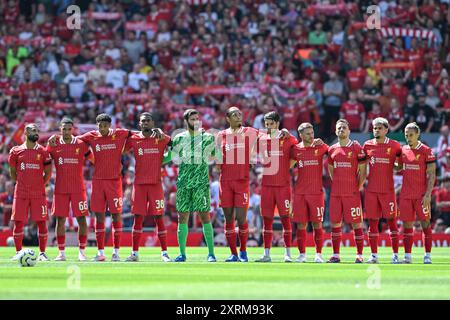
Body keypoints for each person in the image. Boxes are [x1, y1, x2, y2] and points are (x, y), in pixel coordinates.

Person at [166, 109, 216, 262]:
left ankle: (211, 254)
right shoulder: (179, 138)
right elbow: (170, 157)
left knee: (205, 217)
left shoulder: (207, 137)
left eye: (197, 118)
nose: (196, 121)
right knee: (182, 217)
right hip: (184, 183)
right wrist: (152, 160)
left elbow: (216, 155)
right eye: (193, 119)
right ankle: (182, 254)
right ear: (186, 121)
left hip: (201, 183)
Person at [123, 113, 172, 262]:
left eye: (148, 121)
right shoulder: (134, 139)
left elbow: (174, 148)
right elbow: (122, 150)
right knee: (138, 218)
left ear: (153, 123)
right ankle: (135, 253)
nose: (145, 123)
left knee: (159, 217)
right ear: (139, 124)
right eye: (143, 121)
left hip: (156, 183)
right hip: (139, 184)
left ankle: (164, 253)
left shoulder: (161, 137)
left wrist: (163, 160)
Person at [215, 106, 260, 262]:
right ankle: (233, 253)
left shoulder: (250, 131)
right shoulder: (221, 135)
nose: (238, 116)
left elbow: (269, 136)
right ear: (228, 118)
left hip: (242, 181)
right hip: (225, 181)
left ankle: (243, 251)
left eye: (240, 114)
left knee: (241, 219)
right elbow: (217, 158)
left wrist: (253, 157)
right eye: (234, 115)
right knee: (229, 219)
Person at [47, 118, 93, 261]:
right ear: (60, 129)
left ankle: (82, 252)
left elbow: (94, 159)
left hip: (78, 188)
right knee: (60, 220)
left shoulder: (81, 144)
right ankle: (61, 252)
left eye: (69, 129)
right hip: (60, 189)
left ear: (72, 129)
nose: (66, 131)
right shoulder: (53, 144)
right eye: (64, 129)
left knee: (81, 219)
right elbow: (44, 160)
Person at [254, 111, 298, 263]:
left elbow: (296, 153)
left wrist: (286, 167)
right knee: (267, 220)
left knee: (286, 219)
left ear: (278, 123)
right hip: (266, 185)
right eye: (266, 124)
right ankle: (266, 254)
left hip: (283, 185)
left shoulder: (287, 138)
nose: (269, 126)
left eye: (271, 124)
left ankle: (287, 254)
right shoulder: (261, 138)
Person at [9, 124, 52, 261]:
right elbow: (13, 173)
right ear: (26, 133)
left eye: (37, 131)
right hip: (21, 192)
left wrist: (40, 185)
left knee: (41, 222)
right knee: (19, 222)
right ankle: (18, 251)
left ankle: (42, 253)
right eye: (33, 130)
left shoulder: (43, 151)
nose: (36, 133)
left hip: (38, 193)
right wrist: (21, 183)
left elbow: (48, 173)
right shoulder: (15, 151)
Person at [363, 117, 402, 263]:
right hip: (371, 191)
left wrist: (398, 166)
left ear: (386, 129)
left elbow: (401, 164)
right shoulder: (367, 145)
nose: (376, 130)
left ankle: (395, 255)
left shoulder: (395, 146)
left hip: (388, 191)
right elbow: (361, 165)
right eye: (374, 128)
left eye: (379, 128)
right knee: (372, 224)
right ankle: (373, 255)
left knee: (392, 222)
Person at [327, 119, 367, 263]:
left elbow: (363, 172)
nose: (341, 130)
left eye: (344, 127)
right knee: (335, 223)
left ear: (349, 131)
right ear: (335, 131)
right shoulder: (332, 149)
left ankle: (359, 254)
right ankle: (336, 255)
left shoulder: (356, 148)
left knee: (356, 223)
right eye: (339, 128)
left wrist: (358, 187)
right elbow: (331, 170)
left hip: (352, 192)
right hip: (336, 193)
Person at [290, 122, 328, 263]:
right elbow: (287, 164)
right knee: (301, 225)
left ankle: (318, 254)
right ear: (301, 135)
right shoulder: (296, 150)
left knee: (317, 224)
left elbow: (334, 154)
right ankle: (302, 254)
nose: (311, 136)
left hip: (316, 193)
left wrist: (323, 143)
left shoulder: (320, 146)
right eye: (308, 134)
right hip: (300, 193)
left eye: (312, 133)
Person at [399, 122, 436, 264]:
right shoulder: (403, 150)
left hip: (421, 195)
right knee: (407, 226)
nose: (408, 137)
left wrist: (428, 195)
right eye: (406, 135)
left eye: (411, 135)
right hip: (406, 195)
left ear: (417, 134)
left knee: (425, 224)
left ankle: (427, 255)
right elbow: (398, 167)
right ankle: (407, 257)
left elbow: (432, 174)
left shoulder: (426, 151)